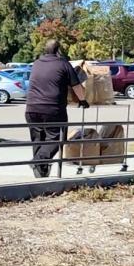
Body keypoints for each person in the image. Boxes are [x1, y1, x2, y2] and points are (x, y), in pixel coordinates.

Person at [24, 40, 88, 178]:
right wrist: (83, 100)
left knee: (38, 140)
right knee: (58, 137)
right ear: (58, 51)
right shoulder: (63, 63)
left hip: (31, 108)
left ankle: (40, 173)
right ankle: (38, 161)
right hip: (52, 108)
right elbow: (76, 86)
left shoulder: (36, 63)